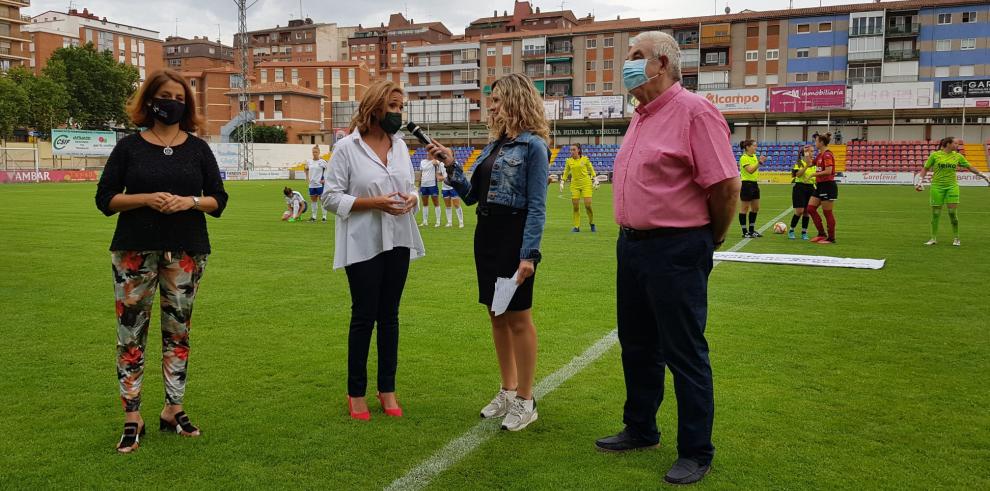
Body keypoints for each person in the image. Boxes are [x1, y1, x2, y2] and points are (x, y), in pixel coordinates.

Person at [594, 32, 740, 485]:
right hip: (632, 245)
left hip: (677, 246)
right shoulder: (640, 117)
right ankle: (641, 428)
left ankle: (696, 449)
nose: (628, 66)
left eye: (636, 57)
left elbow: (725, 186)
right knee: (637, 344)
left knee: (684, 351)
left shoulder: (695, 112)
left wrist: (706, 240)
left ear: (662, 63)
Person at [94, 68, 229, 453]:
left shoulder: (198, 149)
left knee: (178, 331)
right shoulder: (129, 148)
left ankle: (174, 408)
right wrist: (146, 198)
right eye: (166, 95)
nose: (173, 103)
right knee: (130, 333)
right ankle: (132, 414)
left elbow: (218, 200)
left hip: (186, 250)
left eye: (180, 98)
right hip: (134, 249)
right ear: (150, 100)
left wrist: (189, 202)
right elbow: (105, 199)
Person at [427, 73, 549, 432]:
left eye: (495, 99)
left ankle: (527, 400)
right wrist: (451, 165)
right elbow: (469, 196)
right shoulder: (493, 146)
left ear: (513, 100)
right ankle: (508, 391)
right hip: (487, 236)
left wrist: (529, 255)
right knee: (496, 314)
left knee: (519, 317)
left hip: (514, 237)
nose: (490, 106)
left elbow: (537, 207)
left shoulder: (533, 147)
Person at [322, 80, 423, 420]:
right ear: (375, 107)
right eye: (393, 107)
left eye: (400, 107)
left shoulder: (400, 148)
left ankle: (388, 388)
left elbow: (411, 190)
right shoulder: (347, 148)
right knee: (364, 316)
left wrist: (412, 198)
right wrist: (373, 203)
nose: (398, 113)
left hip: (398, 240)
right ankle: (356, 392)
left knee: (390, 317)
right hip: (362, 244)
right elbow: (330, 197)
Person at [916, 136, 989, 246]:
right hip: (937, 187)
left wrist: (984, 175)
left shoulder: (958, 156)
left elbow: (970, 167)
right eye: (955, 143)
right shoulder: (935, 155)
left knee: (952, 213)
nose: (957, 146)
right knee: (935, 214)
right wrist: (920, 181)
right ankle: (933, 238)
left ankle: (956, 238)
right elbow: (925, 169)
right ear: (948, 144)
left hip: (952, 187)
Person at [806, 133, 838, 244]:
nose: (815, 143)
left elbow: (829, 171)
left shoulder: (827, 155)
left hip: (828, 186)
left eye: (816, 141)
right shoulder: (820, 155)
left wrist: (813, 175)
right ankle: (821, 234)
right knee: (810, 208)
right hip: (820, 186)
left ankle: (831, 238)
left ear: (822, 142)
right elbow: (809, 164)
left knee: (827, 213)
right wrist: (806, 153)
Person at [562, 143, 597, 232]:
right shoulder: (568, 161)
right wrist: (562, 181)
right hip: (575, 185)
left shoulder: (585, 159)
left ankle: (592, 223)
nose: (572, 151)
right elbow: (566, 172)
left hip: (586, 184)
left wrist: (595, 178)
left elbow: (591, 169)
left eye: (574, 150)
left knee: (588, 205)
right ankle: (576, 227)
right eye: (571, 150)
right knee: (576, 207)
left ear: (578, 150)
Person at [737, 139, 766, 238]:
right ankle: (745, 231)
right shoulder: (743, 158)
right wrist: (759, 163)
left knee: (755, 208)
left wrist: (758, 162)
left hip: (754, 184)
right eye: (754, 146)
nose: (755, 147)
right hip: (746, 185)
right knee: (744, 208)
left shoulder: (754, 156)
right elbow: (750, 170)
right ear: (747, 147)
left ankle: (752, 230)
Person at [788, 145, 817, 240]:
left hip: (811, 188)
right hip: (800, 187)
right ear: (806, 152)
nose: (813, 153)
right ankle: (791, 230)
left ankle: (804, 232)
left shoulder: (814, 163)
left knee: (807, 212)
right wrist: (806, 166)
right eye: (811, 151)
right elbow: (797, 175)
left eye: (813, 151)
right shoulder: (800, 162)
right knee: (799, 211)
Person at [304, 145, 329, 222]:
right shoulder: (309, 161)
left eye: (316, 152)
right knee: (313, 201)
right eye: (313, 152)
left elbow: (330, 170)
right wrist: (307, 177)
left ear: (319, 152)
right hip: (311, 185)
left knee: (322, 200)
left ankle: (324, 217)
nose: (314, 153)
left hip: (320, 184)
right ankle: (314, 217)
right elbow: (305, 168)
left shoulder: (322, 162)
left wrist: (325, 179)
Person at [418, 155, 443, 227]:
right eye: (427, 153)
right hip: (423, 185)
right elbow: (421, 173)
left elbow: (439, 164)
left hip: (432, 185)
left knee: (436, 203)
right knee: (425, 204)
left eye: (430, 153)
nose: (428, 155)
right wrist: (419, 185)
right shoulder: (422, 162)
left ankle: (438, 221)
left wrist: (436, 161)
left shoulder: (435, 161)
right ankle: (425, 221)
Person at [440, 163, 465, 228]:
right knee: (447, 206)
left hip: (454, 187)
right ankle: (449, 222)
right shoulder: (440, 164)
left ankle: (461, 222)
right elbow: (438, 176)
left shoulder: (456, 163)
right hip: (444, 188)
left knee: (457, 205)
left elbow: (461, 175)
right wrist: (443, 178)